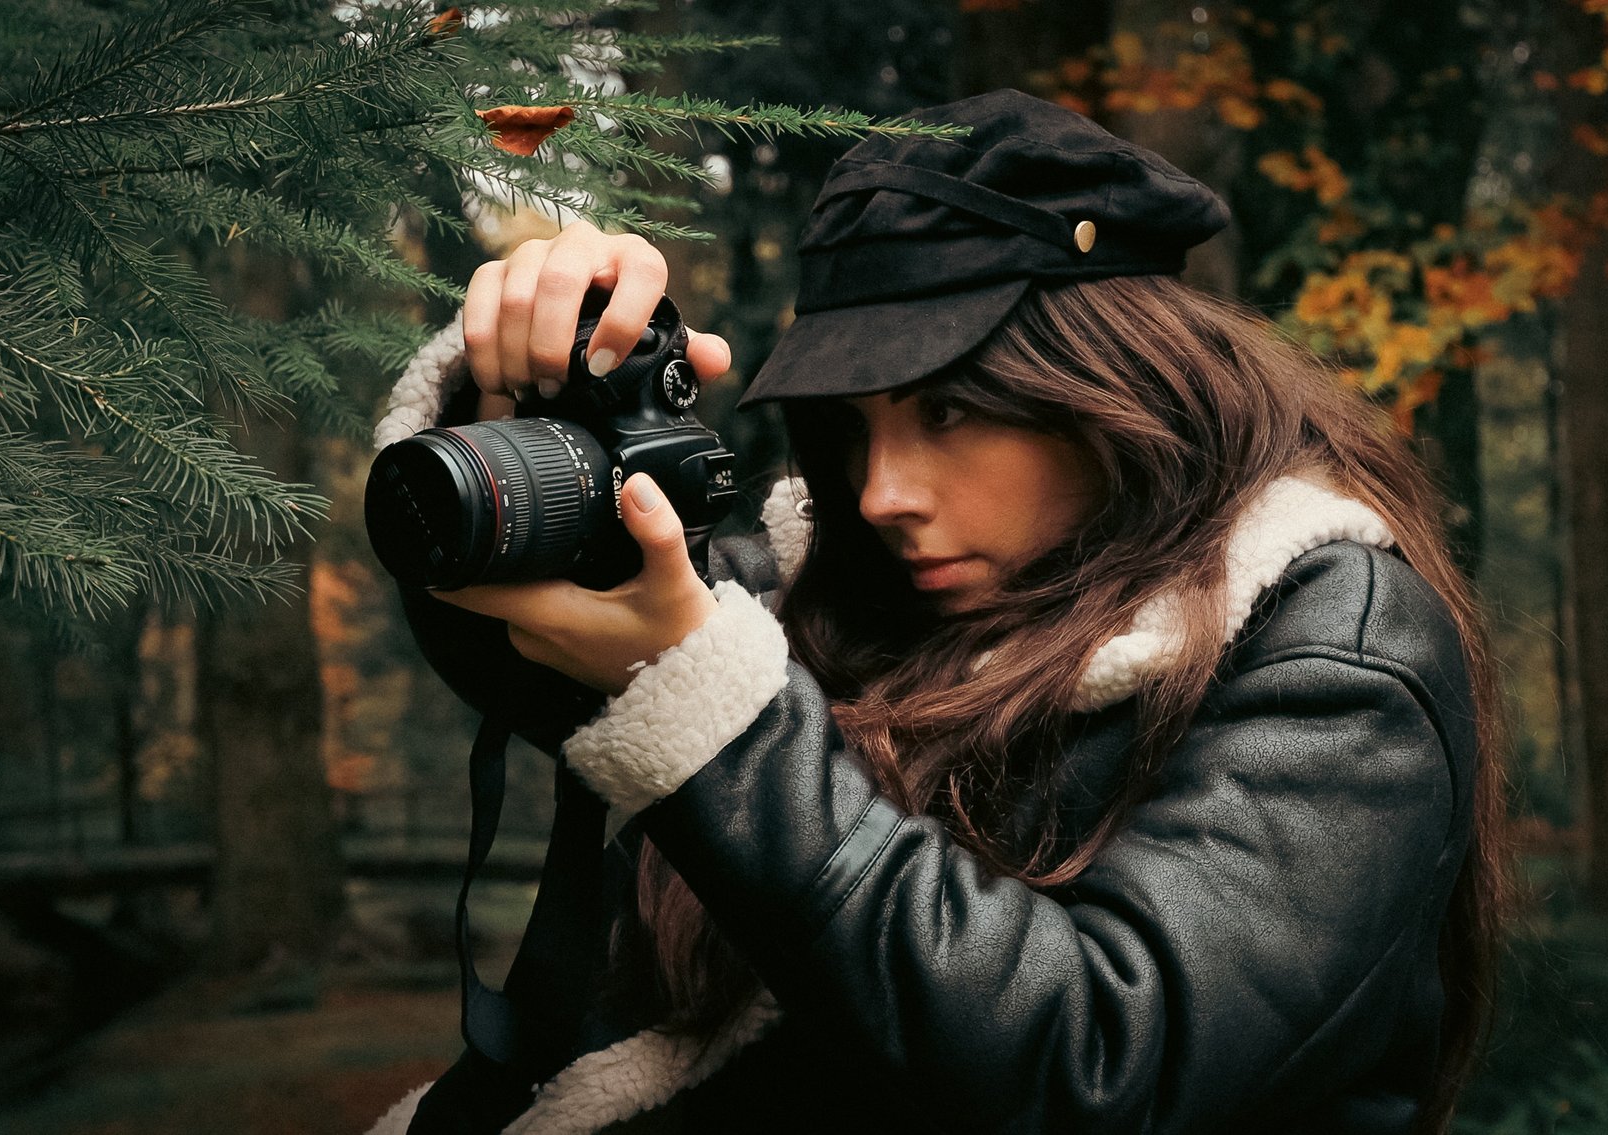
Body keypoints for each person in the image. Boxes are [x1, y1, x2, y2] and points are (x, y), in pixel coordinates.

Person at [367, 89, 1505, 1135]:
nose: (881, 491)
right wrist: (519, 410)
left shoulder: (1340, 641)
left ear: (1118, 390)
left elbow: (1104, 1065)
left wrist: (720, 723)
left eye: (950, 407)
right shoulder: (856, 599)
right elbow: (531, 642)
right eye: (854, 426)